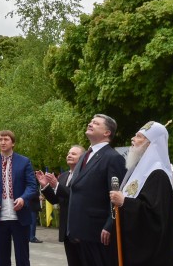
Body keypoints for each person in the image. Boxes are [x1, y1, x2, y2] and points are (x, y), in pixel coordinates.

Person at [107, 121, 173, 266]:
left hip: (151, 255)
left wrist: (125, 202)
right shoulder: (138, 170)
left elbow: (155, 216)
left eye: (139, 137)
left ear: (150, 144)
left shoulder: (158, 174)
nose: (133, 139)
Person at [64, 114, 126, 266]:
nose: (90, 124)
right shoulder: (85, 155)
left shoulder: (112, 158)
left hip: (97, 232)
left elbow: (117, 194)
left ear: (107, 133)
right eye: (91, 121)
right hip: (77, 231)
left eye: (96, 123)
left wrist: (109, 225)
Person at [0, 130, 37, 266]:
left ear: (13, 143)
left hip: (20, 217)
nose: (3, 142)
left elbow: (32, 185)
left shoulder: (24, 161)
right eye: (0, 139)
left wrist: (23, 198)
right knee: (2, 259)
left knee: (22, 258)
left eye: (6, 139)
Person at [38, 144, 84, 265]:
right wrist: (46, 186)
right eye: (68, 153)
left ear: (83, 157)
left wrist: (56, 185)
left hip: (81, 228)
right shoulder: (63, 176)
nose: (69, 155)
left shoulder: (85, 175)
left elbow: (76, 197)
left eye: (74, 154)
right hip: (66, 230)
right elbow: (56, 200)